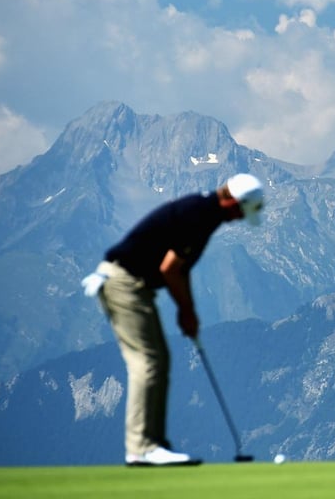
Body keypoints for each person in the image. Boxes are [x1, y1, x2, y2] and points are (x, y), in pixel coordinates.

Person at [84, 173, 265, 466]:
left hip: (132, 284)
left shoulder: (203, 212)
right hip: (124, 283)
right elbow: (170, 269)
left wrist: (187, 309)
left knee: (159, 359)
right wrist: (187, 311)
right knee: (148, 361)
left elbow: (178, 270)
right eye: (240, 212)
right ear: (232, 201)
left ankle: (152, 443)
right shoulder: (201, 215)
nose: (238, 219)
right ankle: (142, 447)